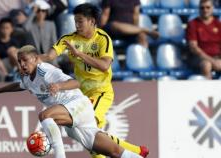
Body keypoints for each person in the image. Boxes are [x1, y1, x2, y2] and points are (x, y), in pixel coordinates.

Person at [0, 45, 143, 158]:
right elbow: (19, 85)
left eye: (26, 60)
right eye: (19, 61)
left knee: (44, 115)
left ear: (36, 59)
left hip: (78, 105)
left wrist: (59, 85)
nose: (22, 64)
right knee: (114, 152)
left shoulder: (46, 71)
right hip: (73, 122)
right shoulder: (26, 77)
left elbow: (76, 82)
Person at [39, 3, 149, 158]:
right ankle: (136, 151)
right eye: (75, 21)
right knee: (89, 135)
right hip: (80, 95)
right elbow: (50, 56)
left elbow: (104, 66)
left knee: (91, 133)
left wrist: (79, 54)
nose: (77, 25)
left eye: (80, 21)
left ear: (92, 21)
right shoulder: (69, 39)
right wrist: (34, 59)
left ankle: (134, 152)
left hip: (100, 92)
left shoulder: (103, 39)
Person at [186, 0, 221, 79]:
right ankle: (208, 90)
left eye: (208, 7)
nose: (205, 10)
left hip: (217, 57)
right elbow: (193, 48)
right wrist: (212, 61)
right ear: (199, 9)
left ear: (212, 8)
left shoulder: (218, 24)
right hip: (199, 58)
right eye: (202, 8)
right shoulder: (193, 24)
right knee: (206, 65)